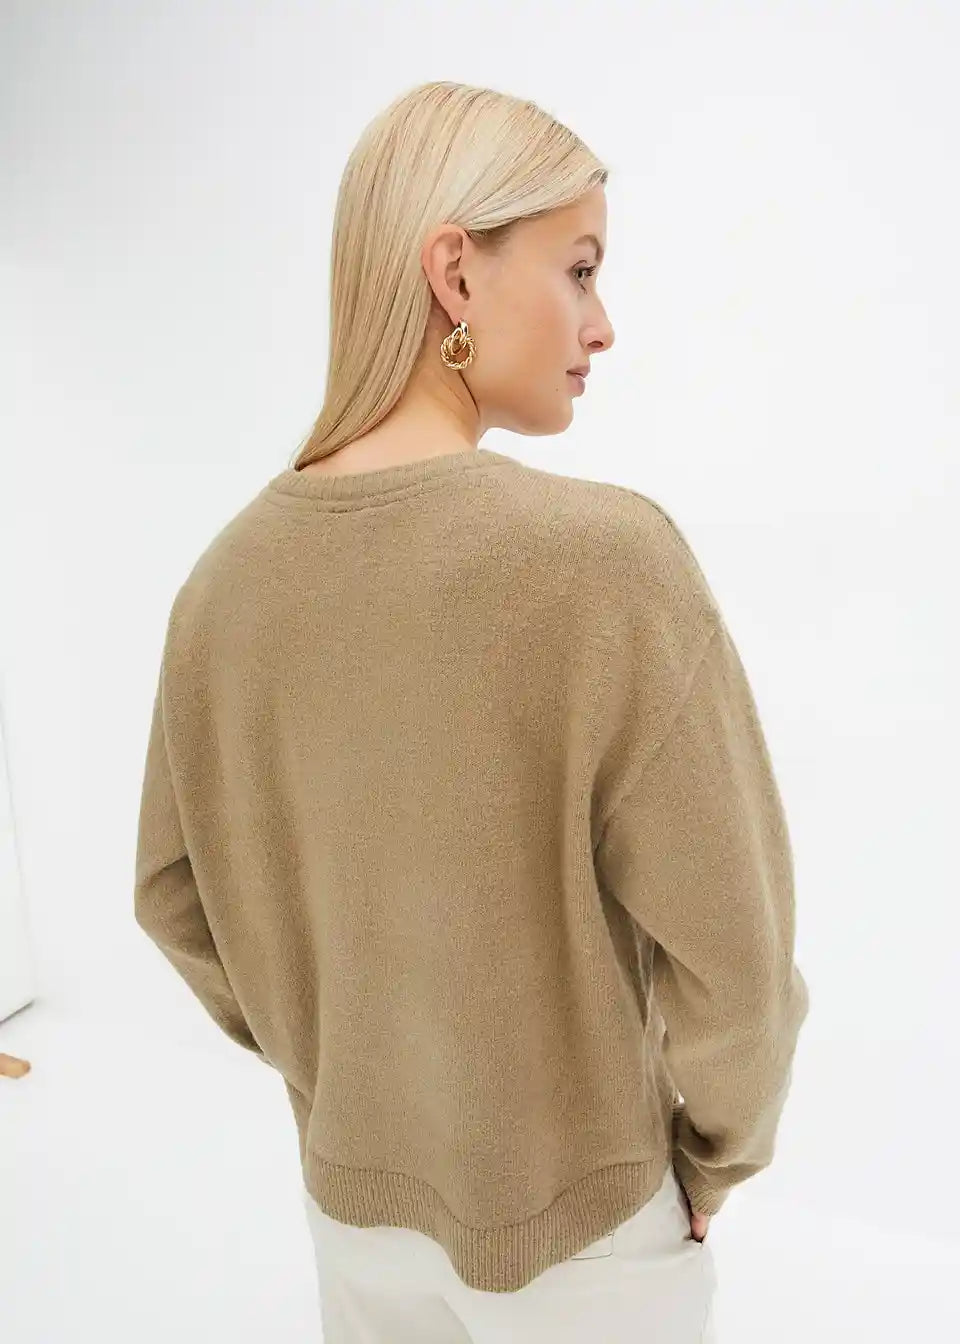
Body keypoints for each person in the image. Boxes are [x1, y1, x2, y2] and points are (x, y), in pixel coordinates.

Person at [134, 79, 809, 1342]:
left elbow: (175, 900)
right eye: (580, 268)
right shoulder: (605, 563)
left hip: (352, 1223)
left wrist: (348, 1075)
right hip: (587, 1236)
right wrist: (714, 1159)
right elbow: (740, 965)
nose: (602, 324)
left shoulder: (221, 586)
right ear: (455, 272)